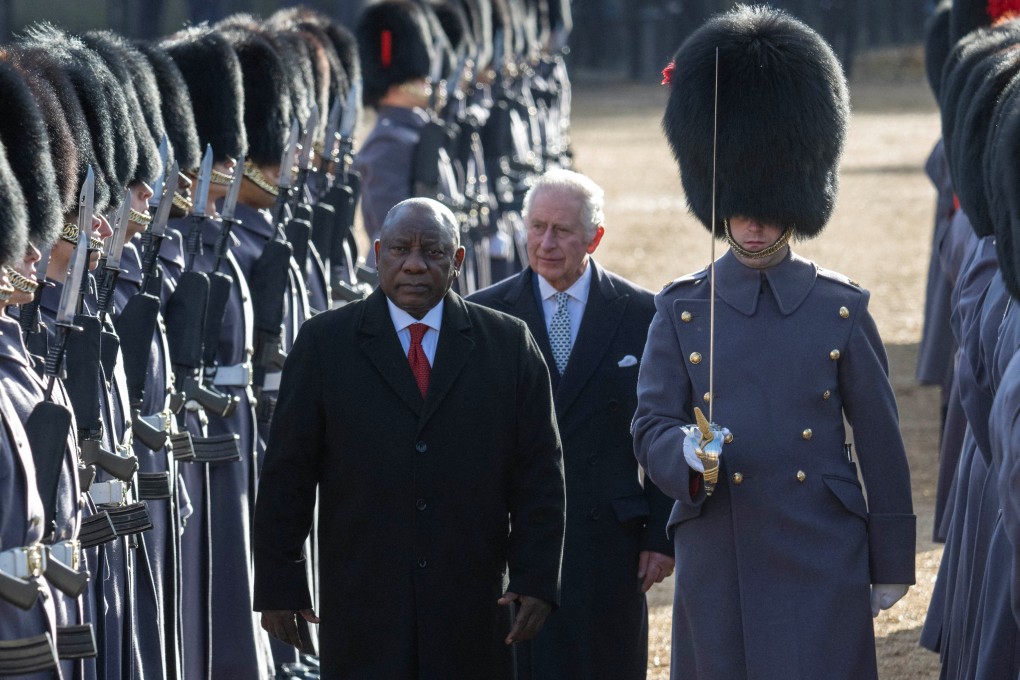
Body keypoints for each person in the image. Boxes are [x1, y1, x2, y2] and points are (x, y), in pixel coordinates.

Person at [632, 7, 916, 680]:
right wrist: (686, 455)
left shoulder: (839, 309)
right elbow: (649, 425)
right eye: (740, 209)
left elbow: (880, 441)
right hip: (719, 539)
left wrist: (891, 556)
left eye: (767, 210)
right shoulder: (681, 309)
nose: (754, 225)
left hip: (820, 543)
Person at [253, 197, 566, 678]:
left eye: (433, 252)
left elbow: (540, 474)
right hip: (363, 603)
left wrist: (537, 578)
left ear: (457, 261)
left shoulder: (507, 345)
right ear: (378, 254)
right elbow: (286, 475)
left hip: (471, 603)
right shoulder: (324, 344)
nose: (415, 264)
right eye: (400, 249)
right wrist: (279, 582)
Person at [469, 168, 674, 680]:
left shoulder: (644, 314)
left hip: (611, 545)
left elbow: (667, 428)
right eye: (537, 227)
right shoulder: (483, 317)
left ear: (594, 238)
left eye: (561, 230)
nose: (546, 242)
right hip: (515, 545)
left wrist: (660, 534)